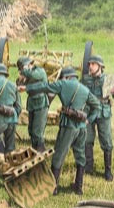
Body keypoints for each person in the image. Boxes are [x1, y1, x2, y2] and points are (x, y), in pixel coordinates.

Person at [25, 66, 101, 195]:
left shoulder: (63, 84)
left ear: (66, 77)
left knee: (58, 155)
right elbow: (97, 106)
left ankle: (53, 187)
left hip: (68, 127)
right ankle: (78, 187)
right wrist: (89, 119)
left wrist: (27, 88)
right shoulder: (84, 89)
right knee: (80, 156)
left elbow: (44, 86)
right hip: (81, 128)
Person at [81, 55, 114, 181]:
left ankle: (108, 170)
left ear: (100, 66)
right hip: (89, 111)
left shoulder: (108, 79)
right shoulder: (85, 79)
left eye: (93, 64)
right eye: (89, 64)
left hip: (103, 112)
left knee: (106, 140)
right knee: (87, 138)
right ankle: (88, 166)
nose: (90, 66)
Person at [17, 56, 49, 152]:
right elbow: (19, 85)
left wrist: (24, 71)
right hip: (31, 103)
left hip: (41, 103)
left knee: (37, 131)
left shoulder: (40, 71)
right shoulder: (26, 74)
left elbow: (34, 76)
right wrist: (21, 80)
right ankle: (35, 150)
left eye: (22, 68)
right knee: (31, 130)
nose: (22, 70)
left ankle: (40, 151)